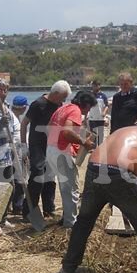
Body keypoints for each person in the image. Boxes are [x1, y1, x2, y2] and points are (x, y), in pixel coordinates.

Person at [58, 119, 137, 273]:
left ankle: (68, 268)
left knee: (84, 221)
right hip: (120, 173)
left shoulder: (123, 129)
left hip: (94, 168)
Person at [45, 90, 97, 228]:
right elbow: (67, 132)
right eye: (89, 108)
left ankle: (66, 217)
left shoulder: (63, 108)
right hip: (61, 153)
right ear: (85, 105)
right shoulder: (75, 111)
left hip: (51, 149)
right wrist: (83, 142)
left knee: (64, 187)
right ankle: (71, 224)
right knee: (72, 188)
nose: (87, 112)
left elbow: (49, 127)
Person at [20, 81, 70, 220]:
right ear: (55, 94)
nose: (64, 100)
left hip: (52, 145)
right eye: (63, 97)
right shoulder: (38, 104)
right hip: (37, 144)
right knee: (37, 175)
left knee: (50, 176)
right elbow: (24, 123)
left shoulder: (59, 105)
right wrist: (23, 145)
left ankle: (49, 208)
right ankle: (29, 211)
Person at [8, 95, 29, 215]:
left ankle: (15, 205)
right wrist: (25, 152)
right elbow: (18, 139)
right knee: (20, 179)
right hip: (17, 151)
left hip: (13, 150)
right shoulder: (15, 119)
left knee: (16, 179)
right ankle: (18, 206)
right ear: (23, 107)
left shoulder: (12, 117)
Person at [87, 80, 110, 146]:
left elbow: (107, 105)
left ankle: (100, 146)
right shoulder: (90, 95)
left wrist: (104, 112)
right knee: (93, 133)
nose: (94, 87)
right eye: (93, 85)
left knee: (100, 133)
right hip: (92, 117)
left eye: (96, 85)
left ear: (99, 86)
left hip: (100, 118)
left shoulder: (103, 96)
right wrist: (86, 117)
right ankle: (93, 147)